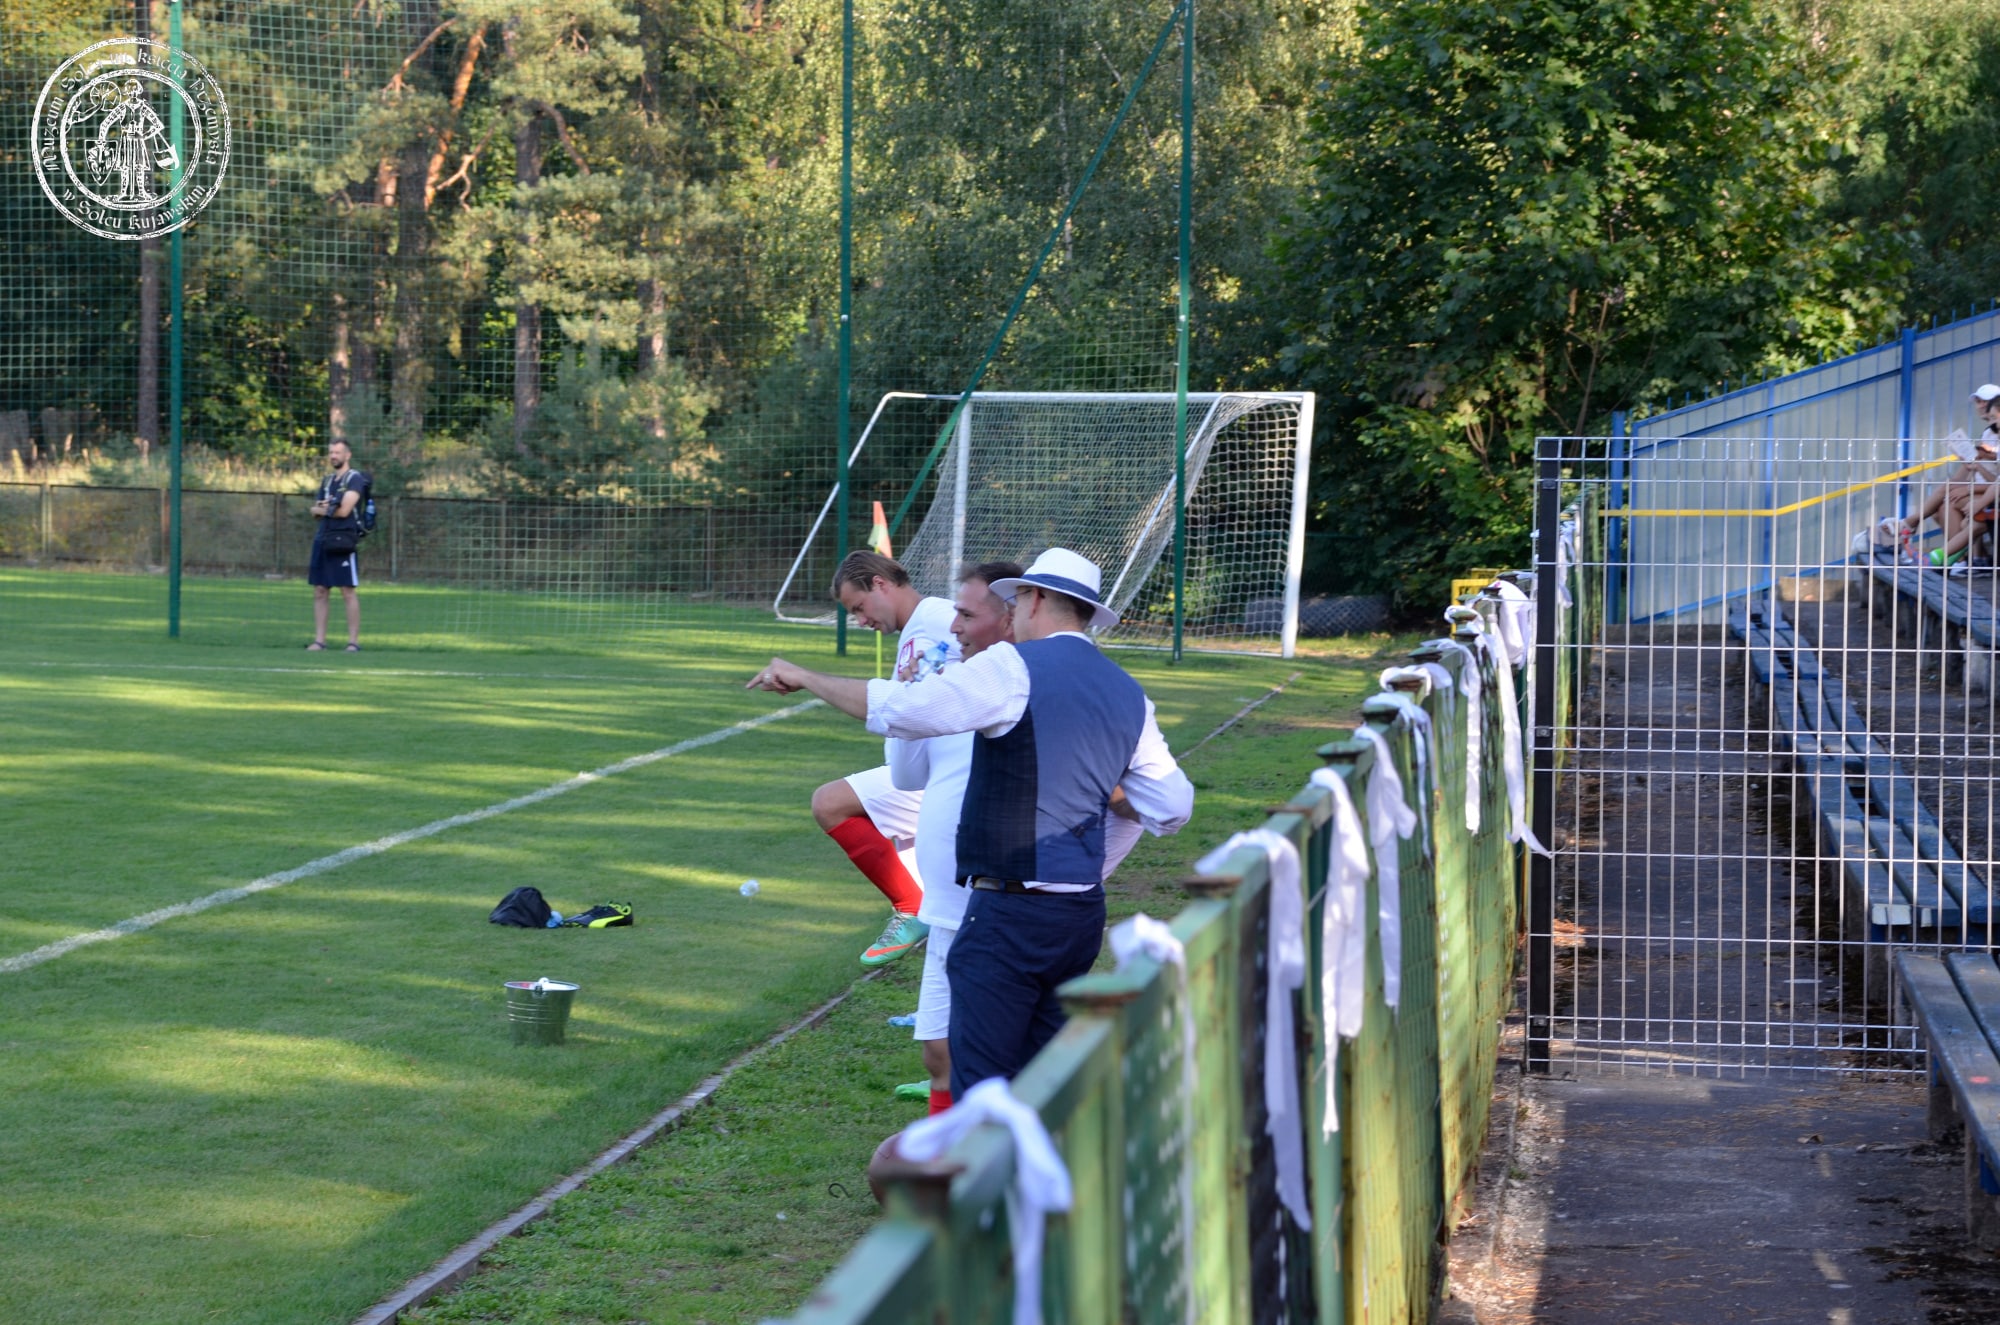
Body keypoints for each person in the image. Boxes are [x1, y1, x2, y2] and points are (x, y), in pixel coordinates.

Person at [746, 547, 1194, 1097]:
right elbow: (1171, 807)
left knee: (979, 1082)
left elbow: (905, 713)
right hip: (1078, 914)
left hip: (1006, 910)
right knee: (1045, 1073)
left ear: (1036, 599)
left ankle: (984, 1179)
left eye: (1018, 597)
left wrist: (804, 676)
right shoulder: (1129, 691)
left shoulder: (1009, 667)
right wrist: (1103, 804)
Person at [885, 559, 1153, 1114]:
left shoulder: (1014, 677)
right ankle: (986, 1171)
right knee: (955, 1053)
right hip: (982, 901)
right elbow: (907, 775)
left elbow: (1141, 809)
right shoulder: (967, 681)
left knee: (984, 1069)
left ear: (1019, 612)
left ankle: (982, 1181)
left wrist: (1085, 865)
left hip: (1000, 906)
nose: (952, 626)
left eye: (965, 613)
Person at [813, 550, 960, 966]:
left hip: (946, 781)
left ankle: (910, 907)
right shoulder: (920, 627)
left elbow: (994, 651)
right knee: (951, 912)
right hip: (925, 778)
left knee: (829, 803)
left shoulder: (938, 617)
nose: (861, 621)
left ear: (880, 583)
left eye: (859, 608)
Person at [1902, 384, 2000, 569]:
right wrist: (1972, 466)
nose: (1980, 406)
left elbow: (1996, 481)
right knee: (1950, 500)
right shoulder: (1988, 433)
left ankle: (1955, 560)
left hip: (1991, 495)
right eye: (1977, 401)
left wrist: (1971, 487)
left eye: (1985, 402)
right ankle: (1951, 559)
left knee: (1956, 505)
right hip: (1989, 493)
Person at [308, 440, 370, 651]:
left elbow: (343, 511)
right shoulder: (327, 482)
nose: (333, 456)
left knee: (347, 591)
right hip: (323, 539)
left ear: (348, 455)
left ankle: (353, 642)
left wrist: (323, 509)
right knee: (320, 590)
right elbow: (315, 510)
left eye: (337, 452)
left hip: (343, 541)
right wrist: (323, 509)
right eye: (331, 452)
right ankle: (320, 640)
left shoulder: (355, 479)